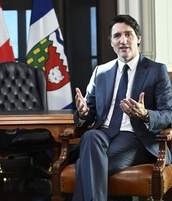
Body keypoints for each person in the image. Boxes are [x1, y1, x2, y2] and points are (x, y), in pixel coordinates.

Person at [67, 14, 172, 200]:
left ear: (138, 39)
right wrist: (83, 114)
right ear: (111, 42)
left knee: (87, 164)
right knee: (90, 135)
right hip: (103, 135)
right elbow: (89, 113)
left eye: (128, 34)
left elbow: (168, 113)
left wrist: (146, 114)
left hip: (136, 138)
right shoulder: (101, 72)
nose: (123, 41)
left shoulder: (156, 71)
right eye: (117, 36)